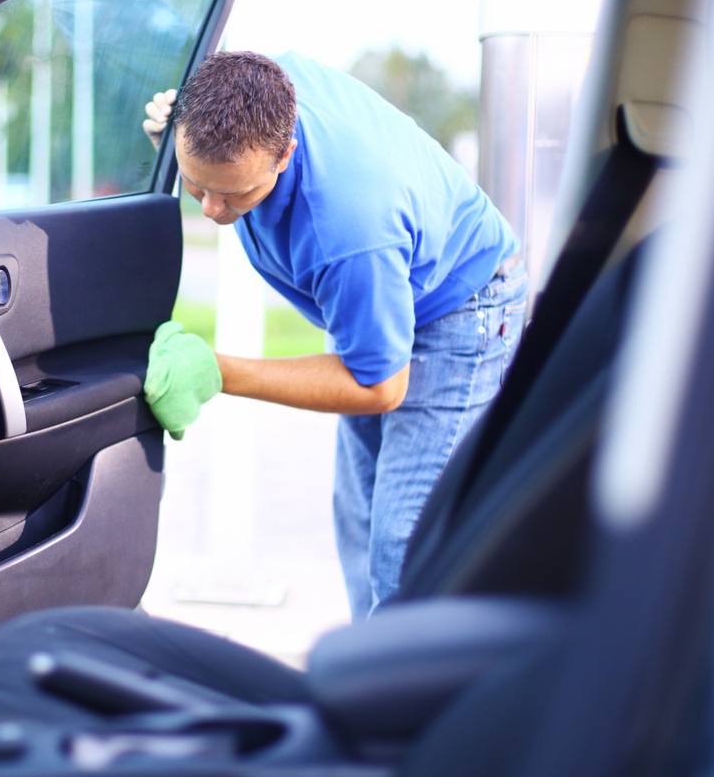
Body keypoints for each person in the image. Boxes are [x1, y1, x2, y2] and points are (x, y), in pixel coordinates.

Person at [142, 51, 526, 619]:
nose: (213, 211)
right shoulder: (247, 91)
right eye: (197, 186)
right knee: (361, 518)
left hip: (459, 309)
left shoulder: (352, 225)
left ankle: (407, 701)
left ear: (286, 153)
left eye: (236, 195)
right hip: (383, 289)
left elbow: (379, 386)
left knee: (404, 550)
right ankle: (370, 678)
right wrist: (171, 143)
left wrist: (218, 371)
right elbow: (213, 155)